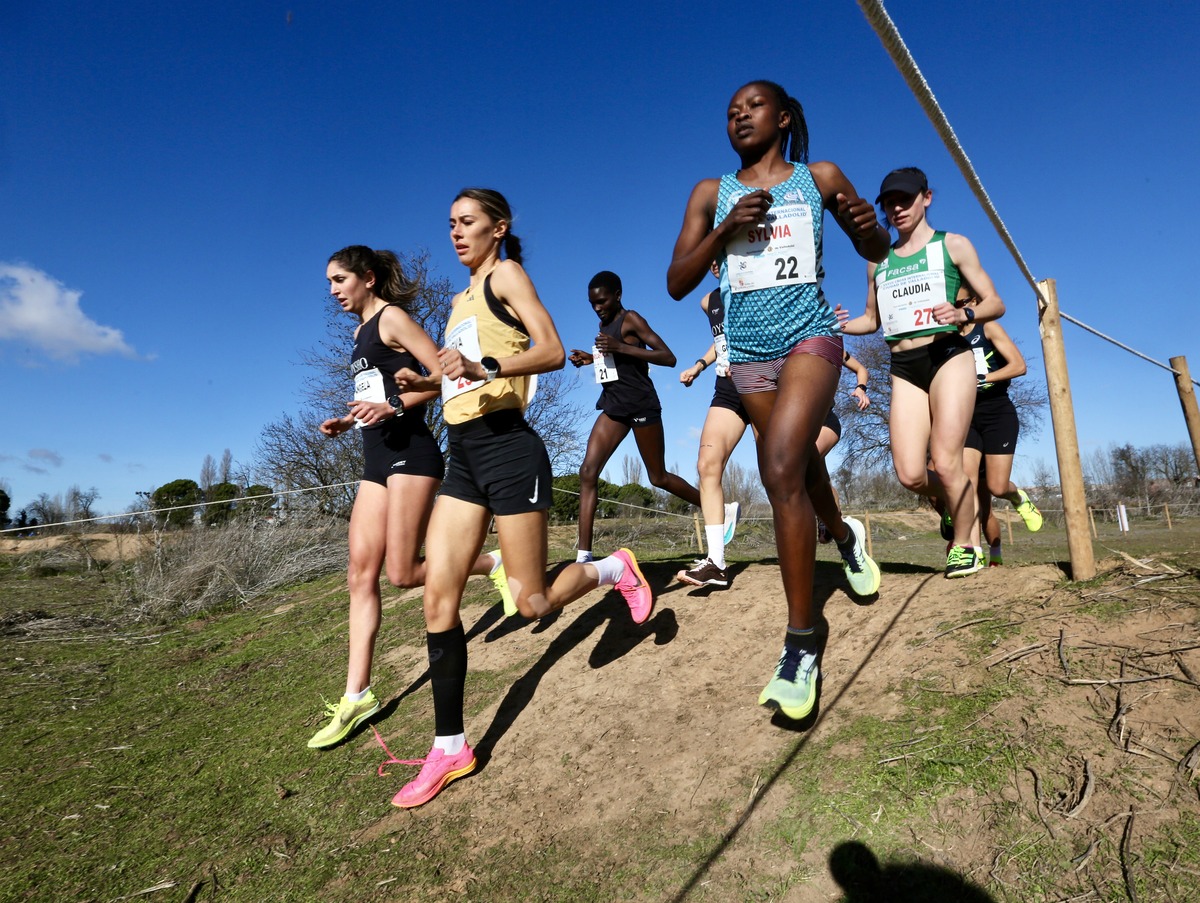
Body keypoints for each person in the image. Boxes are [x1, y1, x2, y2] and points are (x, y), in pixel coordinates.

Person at [387, 188, 654, 808]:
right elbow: (457, 374)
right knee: (437, 600)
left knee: (532, 604)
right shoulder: (455, 301)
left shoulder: (506, 275)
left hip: (510, 450)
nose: (456, 233)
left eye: (468, 222)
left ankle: (614, 567)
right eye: (450, 223)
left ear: (498, 227)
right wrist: (417, 386)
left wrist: (484, 368)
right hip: (463, 457)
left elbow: (552, 352)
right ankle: (451, 747)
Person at [667, 80, 885, 722]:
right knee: (799, 470)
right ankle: (845, 535)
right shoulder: (711, 193)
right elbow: (678, 282)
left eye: (753, 106)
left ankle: (800, 642)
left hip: (809, 336)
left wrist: (869, 232)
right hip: (748, 352)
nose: (738, 115)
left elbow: (872, 248)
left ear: (784, 117)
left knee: (780, 466)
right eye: (730, 109)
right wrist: (724, 229)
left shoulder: (818, 177)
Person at [307, 246, 513, 751]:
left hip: (413, 456)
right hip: (375, 460)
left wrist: (395, 404)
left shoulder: (393, 319)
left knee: (401, 573)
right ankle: (357, 695)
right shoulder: (358, 335)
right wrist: (350, 418)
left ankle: (492, 563)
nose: (332, 289)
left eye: (339, 280)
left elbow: (445, 374)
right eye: (329, 281)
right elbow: (376, 398)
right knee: (360, 572)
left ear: (368, 279)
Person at [838, 167, 1006, 578]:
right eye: (888, 203)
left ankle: (966, 544)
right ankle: (955, 502)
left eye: (905, 199)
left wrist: (964, 311)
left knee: (948, 462)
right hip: (904, 366)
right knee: (911, 474)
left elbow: (995, 303)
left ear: (926, 198)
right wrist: (838, 324)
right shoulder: (877, 262)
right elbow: (870, 320)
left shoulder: (953, 245)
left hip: (947, 355)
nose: (896, 209)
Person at [568, 272, 702, 562]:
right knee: (588, 472)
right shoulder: (604, 322)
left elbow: (668, 357)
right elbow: (618, 361)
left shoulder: (632, 319)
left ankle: (713, 506)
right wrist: (590, 358)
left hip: (641, 406)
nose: (597, 307)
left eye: (601, 301)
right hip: (614, 405)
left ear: (617, 294)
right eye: (592, 303)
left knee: (658, 477)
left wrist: (620, 347)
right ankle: (584, 556)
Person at [674, 267, 751, 588]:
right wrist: (700, 365)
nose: (717, 263)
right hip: (728, 389)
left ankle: (839, 528)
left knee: (785, 471)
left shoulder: (758, 286)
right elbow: (720, 341)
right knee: (707, 465)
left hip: (766, 382)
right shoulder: (709, 301)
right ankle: (717, 563)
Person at [956, 286, 1043, 564]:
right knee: (967, 483)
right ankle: (973, 552)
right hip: (966, 415)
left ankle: (1018, 498)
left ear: (974, 302)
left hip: (997, 412)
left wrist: (984, 378)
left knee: (996, 486)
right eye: (950, 302)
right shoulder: (947, 337)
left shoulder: (988, 327)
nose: (956, 307)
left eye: (961, 302)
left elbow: (1018, 366)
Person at [815, 349, 872, 544]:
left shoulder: (830, 345)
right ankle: (837, 521)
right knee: (820, 479)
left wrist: (861, 388)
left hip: (825, 423)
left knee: (800, 465)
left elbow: (861, 369)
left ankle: (828, 519)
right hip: (797, 427)